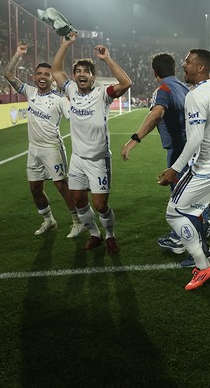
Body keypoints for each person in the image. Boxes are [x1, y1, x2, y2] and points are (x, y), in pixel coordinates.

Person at [120, 53, 210, 263]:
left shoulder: (163, 89)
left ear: (154, 72)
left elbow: (156, 114)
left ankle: (183, 240)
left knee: (181, 202)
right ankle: (204, 225)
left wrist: (134, 139)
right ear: (174, 68)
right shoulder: (184, 87)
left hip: (179, 150)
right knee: (192, 197)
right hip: (193, 149)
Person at [158, 49, 210, 291]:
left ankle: (203, 266)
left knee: (174, 213)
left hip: (207, 166)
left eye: (188, 61)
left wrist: (174, 168)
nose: (183, 65)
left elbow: (194, 140)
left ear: (201, 67)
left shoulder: (196, 95)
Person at [51, 33, 132, 254]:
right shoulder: (70, 90)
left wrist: (107, 59)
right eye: (78, 71)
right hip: (77, 159)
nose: (81, 74)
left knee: (100, 205)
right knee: (78, 201)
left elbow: (126, 83)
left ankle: (110, 235)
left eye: (86, 71)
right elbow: (56, 70)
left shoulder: (102, 94)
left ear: (93, 77)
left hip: (98, 160)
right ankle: (95, 235)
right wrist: (66, 44)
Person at [3, 44, 83, 238]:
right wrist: (18, 54)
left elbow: (75, 120)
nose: (42, 77)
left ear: (51, 78)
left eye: (47, 74)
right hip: (33, 149)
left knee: (61, 186)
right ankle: (49, 220)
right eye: (39, 73)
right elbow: (8, 74)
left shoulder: (60, 99)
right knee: (35, 189)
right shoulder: (30, 92)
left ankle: (77, 221)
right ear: (34, 76)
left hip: (52, 148)